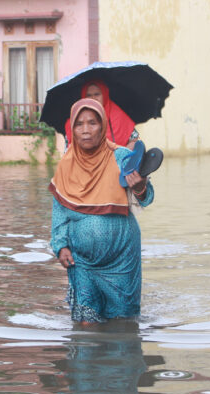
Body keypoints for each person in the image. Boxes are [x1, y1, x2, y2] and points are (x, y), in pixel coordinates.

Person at [50, 98, 154, 324]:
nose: (85, 130)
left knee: (123, 323)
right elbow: (59, 211)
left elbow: (147, 198)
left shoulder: (121, 157)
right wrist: (60, 246)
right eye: (79, 124)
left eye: (92, 123)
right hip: (82, 261)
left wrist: (139, 186)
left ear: (103, 126)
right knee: (85, 323)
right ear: (72, 130)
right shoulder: (66, 165)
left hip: (122, 257)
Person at [63, 80, 139, 148]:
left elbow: (135, 140)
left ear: (105, 94)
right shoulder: (76, 117)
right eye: (89, 95)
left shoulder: (118, 115)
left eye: (97, 94)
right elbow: (68, 149)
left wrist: (122, 157)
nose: (93, 98)